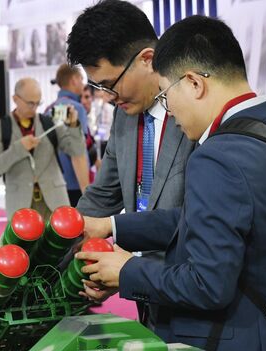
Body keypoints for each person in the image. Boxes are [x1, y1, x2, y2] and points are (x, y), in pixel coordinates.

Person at [76, 16, 266, 351]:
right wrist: (113, 226)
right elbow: (204, 222)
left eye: (166, 94)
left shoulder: (220, 153)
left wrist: (127, 272)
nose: (170, 111)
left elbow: (208, 284)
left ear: (194, 83)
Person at [67, 0, 195, 323]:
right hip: (148, 301)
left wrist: (126, 266)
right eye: (98, 87)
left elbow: (196, 221)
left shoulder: (196, 117)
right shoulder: (125, 118)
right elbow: (100, 198)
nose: (108, 96)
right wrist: (56, 243)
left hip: (196, 304)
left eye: (111, 84)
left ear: (147, 60)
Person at [0, 78, 86, 220]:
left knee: (62, 242)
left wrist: (74, 126)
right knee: (24, 243)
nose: (34, 108)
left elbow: (77, 150)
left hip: (55, 201)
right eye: (30, 103)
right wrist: (19, 148)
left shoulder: (49, 122)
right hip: (20, 204)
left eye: (38, 103)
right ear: (15, 99)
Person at [44, 64, 90, 206]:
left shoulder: (49, 109)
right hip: (75, 181)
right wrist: (86, 188)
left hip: (55, 179)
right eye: (82, 79)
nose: (83, 83)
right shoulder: (75, 108)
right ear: (74, 79)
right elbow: (78, 150)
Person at [80, 85, 101, 179]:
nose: (83, 101)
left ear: (92, 98)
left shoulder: (92, 121)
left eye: (87, 97)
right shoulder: (76, 124)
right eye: (80, 97)